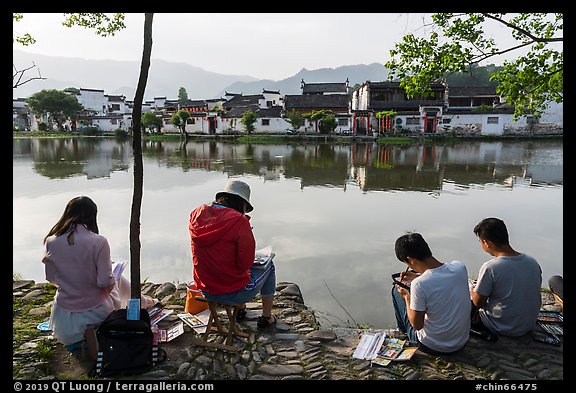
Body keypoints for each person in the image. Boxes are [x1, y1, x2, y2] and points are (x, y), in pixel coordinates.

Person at [42, 196, 156, 352]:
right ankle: (145, 302)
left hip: (64, 323)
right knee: (117, 279)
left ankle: (145, 301)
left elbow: (51, 278)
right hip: (96, 315)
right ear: (92, 216)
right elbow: (104, 282)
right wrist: (110, 284)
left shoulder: (51, 241)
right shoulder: (98, 241)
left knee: (114, 279)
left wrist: (72, 283)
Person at [189, 179, 277, 329]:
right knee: (269, 266)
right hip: (232, 292)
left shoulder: (196, 215)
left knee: (220, 262)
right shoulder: (239, 221)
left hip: (205, 289)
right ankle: (266, 317)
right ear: (242, 204)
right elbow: (245, 264)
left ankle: (241, 309)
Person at [391, 232, 471, 355]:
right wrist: (419, 275)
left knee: (396, 292)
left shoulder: (419, 284)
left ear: (410, 260)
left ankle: (404, 333)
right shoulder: (459, 267)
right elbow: (439, 278)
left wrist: (406, 296)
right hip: (461, 341)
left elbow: (417, 325)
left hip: (433, 345)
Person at [470, 217, 542, 337]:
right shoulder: (532, 262)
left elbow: (478, 302)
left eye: (481, 241)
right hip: (528, 324)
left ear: (487, 243)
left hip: (501, 325)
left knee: (462, 304)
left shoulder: (491, 267)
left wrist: (473, 291)